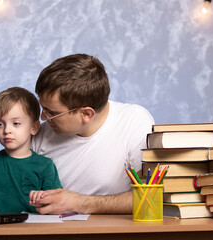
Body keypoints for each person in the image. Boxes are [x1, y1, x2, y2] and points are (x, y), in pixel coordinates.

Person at [30, 53, 155, 215]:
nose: (42, 118)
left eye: (51, 112)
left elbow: (150, 196)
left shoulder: (133, 121)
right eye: (43, 109)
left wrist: (80, 203)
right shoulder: (42, 134)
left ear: (86, 114)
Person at [0, 87, 62, 213]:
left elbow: (55, 204)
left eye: (16, 123)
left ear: (33, 128)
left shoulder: (45, 165)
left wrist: (42, 198)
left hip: (35, 228)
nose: (6, 130)